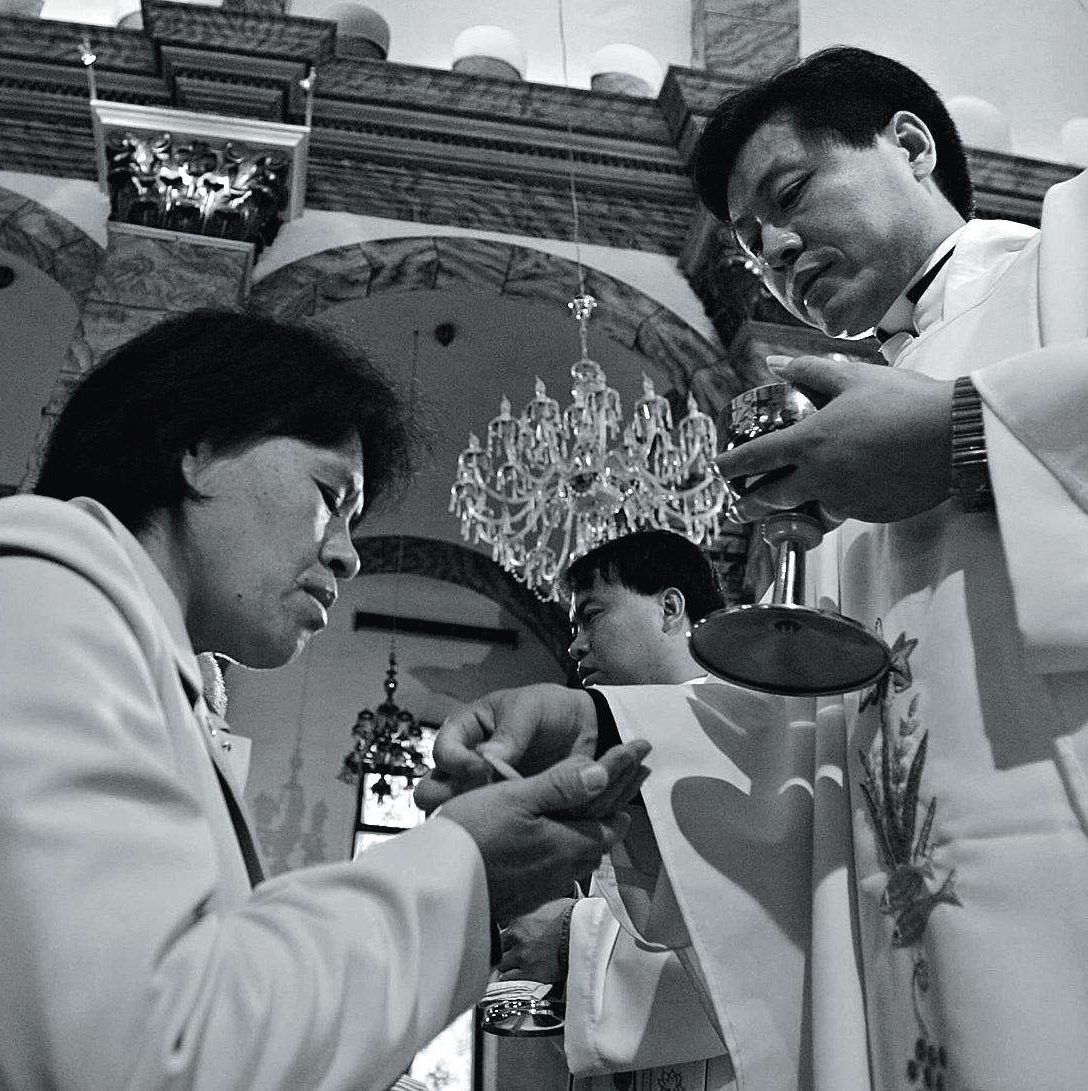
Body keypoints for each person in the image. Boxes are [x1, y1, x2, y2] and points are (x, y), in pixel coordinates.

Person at [418, 46, 1088, 1091]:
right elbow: (814, 746)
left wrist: (965, 436)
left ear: (911, 146)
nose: (772, 249)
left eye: (790, 192)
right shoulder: (845, 431)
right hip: (912, 972)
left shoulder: (1069, 259)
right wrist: (602, 727)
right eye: (747, 243)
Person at [0, 308, 650, 1091]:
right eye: (330, 495)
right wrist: (464, 866)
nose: (347, 554)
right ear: (193, 447)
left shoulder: (142, 657)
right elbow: (143, 1050)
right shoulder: (41, 588)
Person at [496, 531, 733, 1089]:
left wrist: (568, 937)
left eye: (591, 616)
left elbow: (746, 952)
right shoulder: (624, 754)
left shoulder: (743, 732)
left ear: (669, 609)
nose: (575, 646)